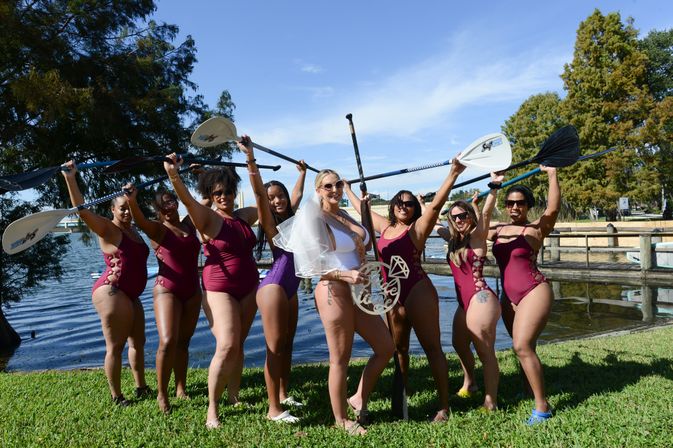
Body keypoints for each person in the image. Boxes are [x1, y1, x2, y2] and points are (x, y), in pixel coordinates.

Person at [344, 158, 466, 422]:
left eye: (409, 203)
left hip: (417, 290)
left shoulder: (417, 229)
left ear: (414, 209)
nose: (403, 205)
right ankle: (400, 403)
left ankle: (444, 406)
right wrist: (348, 189)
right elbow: (361, 210)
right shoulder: (385, 228)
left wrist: (453, 173)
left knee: (433, 348)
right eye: (399, 201)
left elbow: (435, 206)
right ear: (392, 206)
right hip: (392, 295)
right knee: (398, 351)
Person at [274, 169, 395, 435]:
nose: (334, 190)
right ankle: (341, 419)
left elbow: (360, 245)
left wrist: (364, 270)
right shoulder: (315, 218)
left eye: (338, 184)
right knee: (340, 358)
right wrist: (346, 274)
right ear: (318, 190)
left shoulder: (344, 213)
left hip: (359, 291)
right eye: (328, 186)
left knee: (386, 346)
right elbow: (313, 266)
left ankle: (358, 397)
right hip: (333, 289)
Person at [163, 154, 259, 429]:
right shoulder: (207, 219)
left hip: (249, 286)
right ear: (211, 195)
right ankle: (212, 408)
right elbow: (188, 202)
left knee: (239, 344)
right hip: (220, 288)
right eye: (218, 192)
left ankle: (233, 396)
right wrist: (174, 175)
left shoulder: (244, 216)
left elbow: (265, 201)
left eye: (228, 191)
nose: (224, 196)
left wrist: (251, 161)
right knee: (227, 344)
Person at [61, 161, 149, 406]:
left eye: (129, 208)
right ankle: (117, 397)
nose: (127, 212)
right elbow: (82, 210)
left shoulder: (135, 231)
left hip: (132, 295)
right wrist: (71, 178)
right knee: (116, 346)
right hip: (113, 291)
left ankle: (141, 387)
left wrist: (134, 198)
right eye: (122, 209)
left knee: (138, 343)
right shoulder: (109, 229)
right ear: (112, 210)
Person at [239, 137, 307, 422]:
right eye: (272, 198)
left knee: (288, 343)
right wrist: (251, 159)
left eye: (280, 196)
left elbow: (298, 195)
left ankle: (283, 394)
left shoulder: (293, 216)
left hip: (291, 288)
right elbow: (257, 192)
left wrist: (302, 173)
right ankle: (273, 410)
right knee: (275, 347)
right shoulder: (270, 223)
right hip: (275, 286)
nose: (277, 200)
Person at [487, 166, 559, 424]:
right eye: (510, 203)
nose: (514, 207)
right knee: (525, 345)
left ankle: (543, 407)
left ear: (528, 206)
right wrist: (493, 189)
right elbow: (473, 226)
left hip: (534, 290)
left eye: (520, 203)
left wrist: (552, 174)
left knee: (521, 345)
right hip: (508, 295)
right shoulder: (498, 229)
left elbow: (552, 210)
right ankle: (528, 388)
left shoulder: (535, 229)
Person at [125, 186, 202, 413]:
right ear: (157, 210)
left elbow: (203, 201)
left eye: (170, 202)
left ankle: (181, 388)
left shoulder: (189, 223)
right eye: (162, 205)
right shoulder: (157, 230)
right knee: (168, 341)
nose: (167, 207)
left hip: (192, 290)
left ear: (176, 202)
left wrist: (197, 175)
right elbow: (139, 221)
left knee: (184, 342)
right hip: (167, 290)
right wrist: (132, 200)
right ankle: (162, 393)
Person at [437, 172, 504, 412]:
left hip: (481, 298)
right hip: (464, 303)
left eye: (463, 215)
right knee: (459, 343)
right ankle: (471, 382)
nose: (458, 220)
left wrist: (494, 187)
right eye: (454, 217)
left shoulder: (476, 237)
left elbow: (485, 215)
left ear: (469, 216)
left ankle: (491, 401)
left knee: (485, 350)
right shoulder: (454, 239)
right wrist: (424, 202)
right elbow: (432, 222)